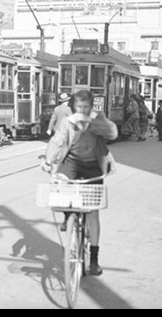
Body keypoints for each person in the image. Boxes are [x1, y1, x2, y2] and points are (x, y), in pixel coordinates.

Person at [41, 90, 118, 276]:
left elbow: (113, 133)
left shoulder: (97, 118)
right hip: (72, 162)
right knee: (60, 184)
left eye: (85, 107)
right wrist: (48, 159)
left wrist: (93, 122)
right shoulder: (68, 122)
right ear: (73, 107)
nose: (81, 110)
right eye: (78, 107)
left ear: (91, 107)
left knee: (92, 212)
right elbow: (57, 140)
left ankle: (94, 260)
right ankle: (70, 216)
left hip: (93, 164)